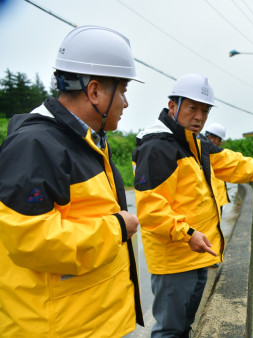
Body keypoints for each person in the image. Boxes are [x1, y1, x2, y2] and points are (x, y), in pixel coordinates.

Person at [0, 26, 144, 336]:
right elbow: (31, 241)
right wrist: (117, 227)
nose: (125, 103)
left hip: (96, 320)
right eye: (123, 91)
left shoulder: (86, 142)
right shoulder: (35, 145)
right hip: (63, 328)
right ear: (94, 92)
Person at [133, 73, 253, 337]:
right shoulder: (158, 147)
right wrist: (187, 234)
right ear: (173, 106)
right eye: (192, 108)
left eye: (204, 111)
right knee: (170, 330)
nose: (199, 117)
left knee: (185, 327)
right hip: (175, 260)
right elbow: (151, 209)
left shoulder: (194, 142)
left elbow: (229, 161)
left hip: (198, 252)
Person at [204, 122, 230, 212]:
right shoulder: (203, 153)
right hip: (212, 202)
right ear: (211, 137)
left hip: (218, 200)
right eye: (219, 140)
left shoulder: (214, 153)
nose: (220, 143)